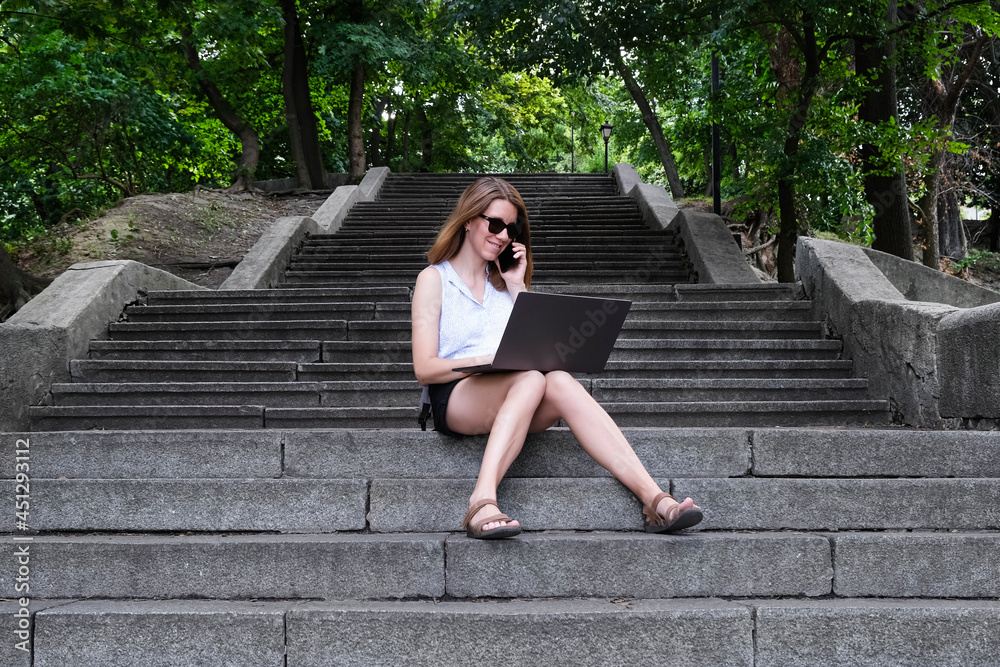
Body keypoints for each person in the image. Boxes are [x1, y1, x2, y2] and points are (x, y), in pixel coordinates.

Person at [411, 176, 702, 539]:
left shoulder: (506, 283)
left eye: (510, 229)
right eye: (495, 223)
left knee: (560, 379)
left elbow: (531, 345)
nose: (502, 235)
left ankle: (655, 500)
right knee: (531, 378)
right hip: (452, 395)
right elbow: (424, 369)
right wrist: (489, 360)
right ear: (469, 219)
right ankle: (481, 500)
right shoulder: (434, 279)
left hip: (514, 389)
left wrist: (517, 287)